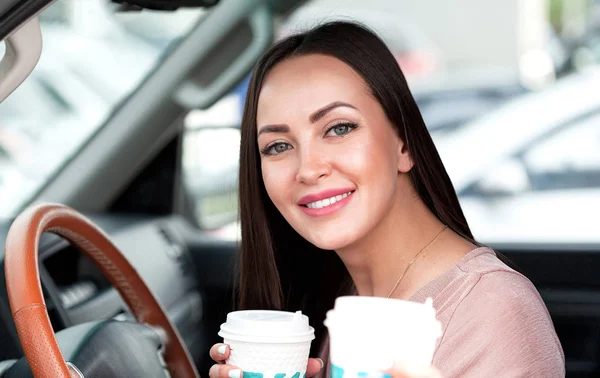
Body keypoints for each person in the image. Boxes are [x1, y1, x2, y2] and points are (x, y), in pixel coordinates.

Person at [209, 21, 565, 378]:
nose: (307, 169)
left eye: (339, 128)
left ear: (404, 143)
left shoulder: (494, 310)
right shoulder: (351, 306)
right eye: (278, 146)